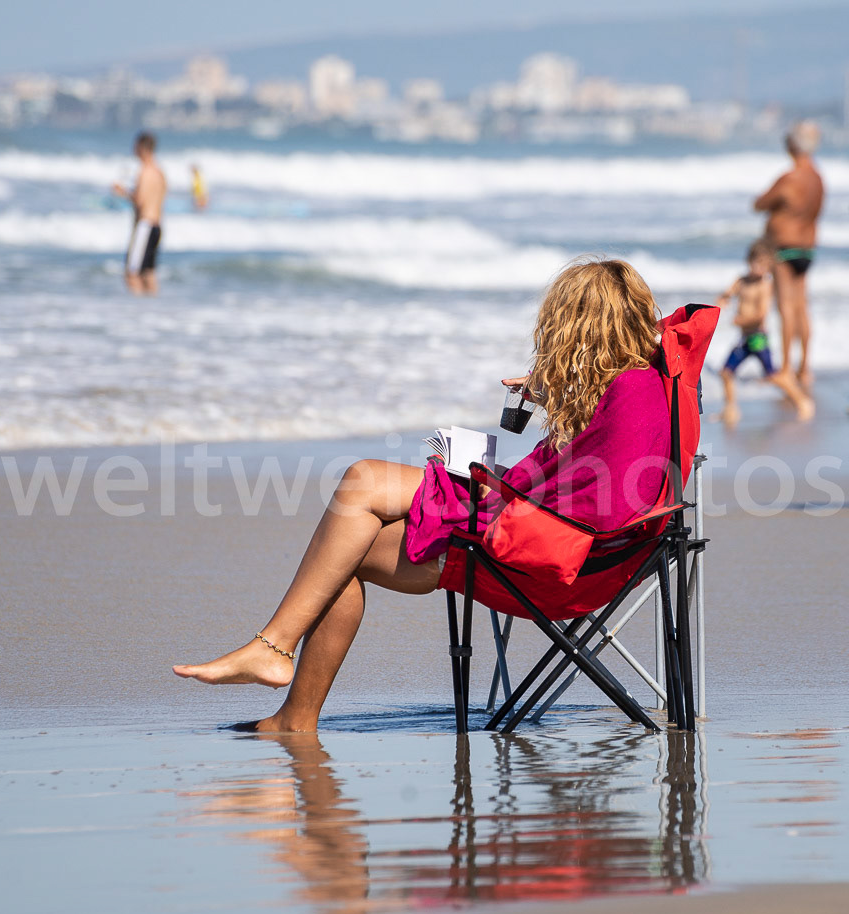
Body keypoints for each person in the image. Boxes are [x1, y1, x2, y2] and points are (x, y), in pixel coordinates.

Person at [173, 259, 685, 732]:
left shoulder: (629, 395)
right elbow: (586, 484)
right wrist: (554, 396)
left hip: (552, 566)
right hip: (563, 550)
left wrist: (490, 487)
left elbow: (595, 509)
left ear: (578, 330)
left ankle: (273, 648)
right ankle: (294, 717)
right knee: (342, 554)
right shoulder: (637, 386)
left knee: (363, 480)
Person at [754, 121, 824, 388]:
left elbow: (760, 203)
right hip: (807, 248)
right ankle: (804, 368)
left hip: (784, 248)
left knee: (785, 308)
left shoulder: (790, 178)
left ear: (793, 146)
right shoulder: (818, 178)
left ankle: (785, 368)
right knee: (801, 307)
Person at [717, 241, 814, 426]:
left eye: (764, 265)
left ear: (769, 266)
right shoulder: (742, 280)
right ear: (749, 261)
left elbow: (761, 313)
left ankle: (802, 401)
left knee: (772, 375)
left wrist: (741, 320)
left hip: (757, 338)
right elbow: (728, 293)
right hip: (745, 338)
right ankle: (730, 409)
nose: (759, 268)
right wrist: (722, 299)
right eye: (756, 263)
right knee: (726, 372)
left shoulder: (765, 285)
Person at [112, 131, 166, 295]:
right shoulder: (160, 172)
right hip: (157, 225)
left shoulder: (144, 172)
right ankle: (152, 310)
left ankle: (137, 313)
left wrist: (123, 192)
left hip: (144, 225)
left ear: (142, 148)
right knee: (149, 272)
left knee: (132, 273)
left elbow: (140, 200)